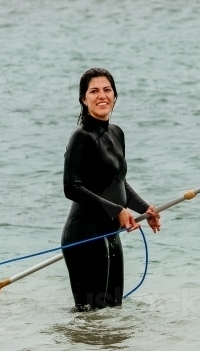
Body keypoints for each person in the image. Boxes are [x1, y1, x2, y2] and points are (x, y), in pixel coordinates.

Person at [61, 68, 161, 310]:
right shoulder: (81, 136)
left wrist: (144, 208)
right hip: (84, 236)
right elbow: (71, 188)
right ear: (84, 99)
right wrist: (117, 211)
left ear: (115, 95)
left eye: (107, 90)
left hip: (110, 235)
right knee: (90, 315)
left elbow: (118, 182)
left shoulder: (116, 133)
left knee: (113, 314)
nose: (102, 96)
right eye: (94, 91)